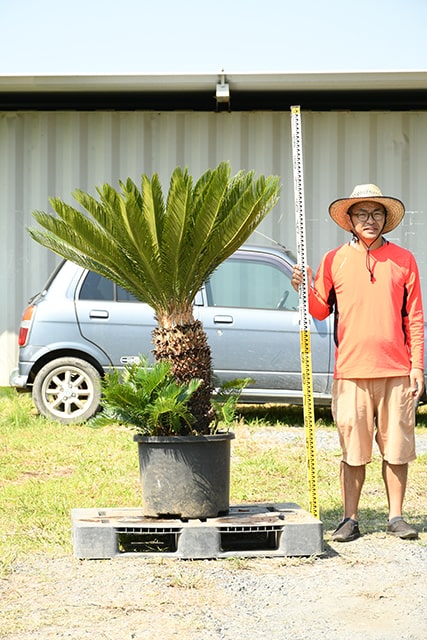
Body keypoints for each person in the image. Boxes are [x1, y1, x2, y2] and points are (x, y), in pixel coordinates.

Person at [291, 184, 425, 542]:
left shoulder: (404, 260)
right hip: (350, 371)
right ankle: (349, 518)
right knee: (353, 448)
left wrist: (417, 367)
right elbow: (319, 310)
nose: (370, 220)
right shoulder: (333, 260)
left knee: (396, 448)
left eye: (376, 213)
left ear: (386, 219)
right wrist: (303, 288)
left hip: (396, 371)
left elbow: (414, 317)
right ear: (349, 220)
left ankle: (396, 517)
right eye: (362, 214)